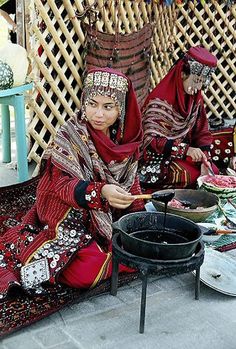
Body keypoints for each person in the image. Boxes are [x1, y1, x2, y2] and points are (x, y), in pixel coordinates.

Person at [0, 67, 144, 299]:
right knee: (87, 270)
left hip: (105, 213)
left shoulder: (126, 140)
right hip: (65, 209)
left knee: (140, 237)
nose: (98, 114)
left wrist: (137, 217)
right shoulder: (70, 134)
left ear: (121, 108)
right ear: (84, 102)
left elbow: (130, 180)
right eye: (92, 103)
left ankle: (118, 252)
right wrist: (101, 191)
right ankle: (120, 257)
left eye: (108, 107)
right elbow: (62, 186)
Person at [138, 46, 219, 191]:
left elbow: (202, 131)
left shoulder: (194, 100)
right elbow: (150, 141)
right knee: (188, 175)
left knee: (212, 171)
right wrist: (185, 150)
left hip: (181, 155)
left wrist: (204, 157)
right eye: (196, 81)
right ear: (182, 74)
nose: (198, 87)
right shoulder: (158, 100)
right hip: (156, 158)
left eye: (202, 82)